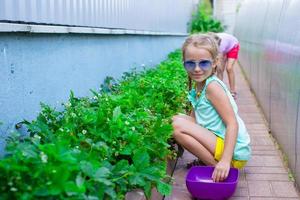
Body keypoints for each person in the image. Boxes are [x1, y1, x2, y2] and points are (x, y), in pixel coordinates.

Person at [172, 34, 250, 182]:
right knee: (176, 119)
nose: (196, 69)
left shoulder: (212, 87)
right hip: (220, 143)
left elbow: (232, 123)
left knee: (177, 126)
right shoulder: (199, 85)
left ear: (215, 62)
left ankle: (219, 169)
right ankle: (211, 163)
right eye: (190, 63)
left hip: (233, 153)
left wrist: (226, 160)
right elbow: (196, 121)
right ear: (184, 63)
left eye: (204, 63)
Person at [210, 32, 240, 99]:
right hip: (225, 46)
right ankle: (219, 90)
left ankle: (232, 91)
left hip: (233, 46)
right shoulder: (209, 43)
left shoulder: (221, 46)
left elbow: (218, 64)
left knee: (229, 68)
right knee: (220, 69)